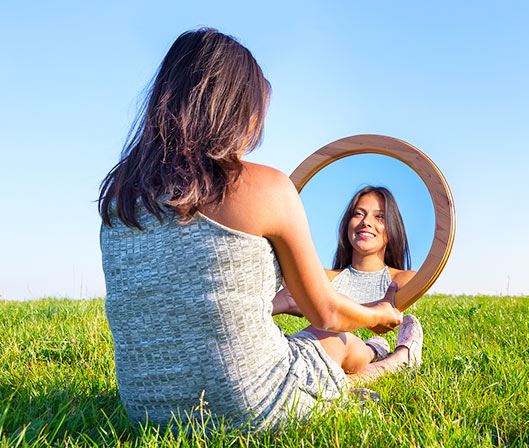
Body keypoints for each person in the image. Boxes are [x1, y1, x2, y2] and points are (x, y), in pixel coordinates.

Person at [98, 28, 422, 432]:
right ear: (237, 110)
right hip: (248, 404)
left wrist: (281, 303)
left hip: (146, 411)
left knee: (314, 338)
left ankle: (364, 362)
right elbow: (327, 310)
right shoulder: (265, 187)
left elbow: (181, 300)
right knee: (334, 340)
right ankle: (394, 361)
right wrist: (376, 315)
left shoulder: (119, 197)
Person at [327, 185, 417, 305]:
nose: (366, 222)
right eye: (358, 214)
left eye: (379, 216)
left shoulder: (405, 281)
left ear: (392, 228)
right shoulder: (325, 279)